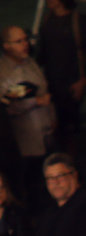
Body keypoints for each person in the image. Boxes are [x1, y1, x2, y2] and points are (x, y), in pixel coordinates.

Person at [34, 0, 86, 151]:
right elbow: (42, 55)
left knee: (69, 131)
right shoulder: (48, 22)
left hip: (70, 86)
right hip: (52, 87)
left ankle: (68, 163)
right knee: (57, 129)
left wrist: (83, 81)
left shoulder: (81, 22)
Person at [1, 27, 55, 185]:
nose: (25, 44)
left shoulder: (31, 62)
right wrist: (35, 102)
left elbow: (45, 91)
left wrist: (52, 116)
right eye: (19, 41)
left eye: (25, 39)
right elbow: (5, 108)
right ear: (6, 46)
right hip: (24, 143)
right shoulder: (2, 72)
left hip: (47, 133)